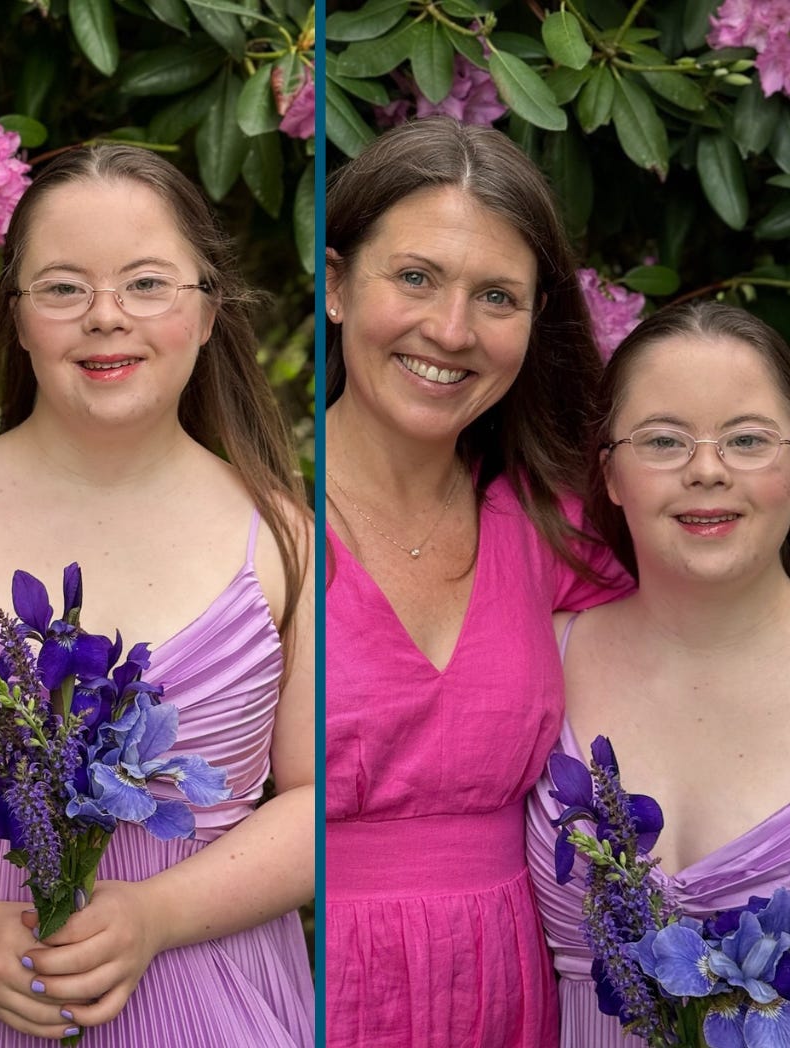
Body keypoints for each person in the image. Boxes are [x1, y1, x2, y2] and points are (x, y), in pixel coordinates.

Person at [0, 142, 313, 1046]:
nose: (106, 317)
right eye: (64, 287)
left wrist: (158, 916)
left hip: (202, 989)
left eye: (148, 284)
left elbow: (320, 800)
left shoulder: (286, 543)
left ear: (206, 314)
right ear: (19, 319)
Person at [322, 117, 631, 1047]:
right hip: (288, 980)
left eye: (497, 296)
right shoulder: (247, 519)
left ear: (537, 323)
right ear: (335, 286)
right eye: (414, 277)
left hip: (510, 996)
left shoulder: (556, 524)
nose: (450, 331)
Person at [526, 302, 790, 1046]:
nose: (707, 469)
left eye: (747, 439)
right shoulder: (541, 660)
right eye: (665, 440)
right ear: (609, 473)